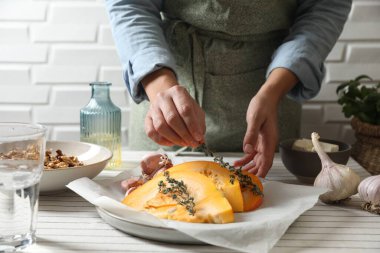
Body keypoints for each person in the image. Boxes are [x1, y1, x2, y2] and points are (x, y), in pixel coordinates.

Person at [105, 0, 352, 177]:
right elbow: (130, 4)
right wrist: (159, 85)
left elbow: (326, 6)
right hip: (165, 88)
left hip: (273, 97)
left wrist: (273, 91)